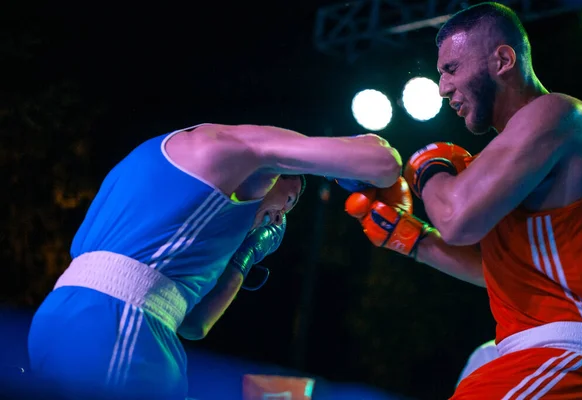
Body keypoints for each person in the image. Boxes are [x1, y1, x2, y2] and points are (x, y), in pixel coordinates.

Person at [27, 122, 403, 399]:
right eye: (287, 202)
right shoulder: (232, 149)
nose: (279, 219)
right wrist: (361, 148)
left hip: (80, 319)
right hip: (115, 324)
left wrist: (243, 258)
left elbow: (193, 324)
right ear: (276, 171)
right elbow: (382, 163)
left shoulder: (168, 175)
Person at [343, 2, 582, 398]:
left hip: (570, 344)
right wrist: (412, 240)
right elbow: (498, 271)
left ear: (502, 59)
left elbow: (457, 219)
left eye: (451, 69)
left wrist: (425, 164)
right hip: (533, 346)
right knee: (477, 365)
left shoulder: (556, 113)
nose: (443, 87)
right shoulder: (511, 159)